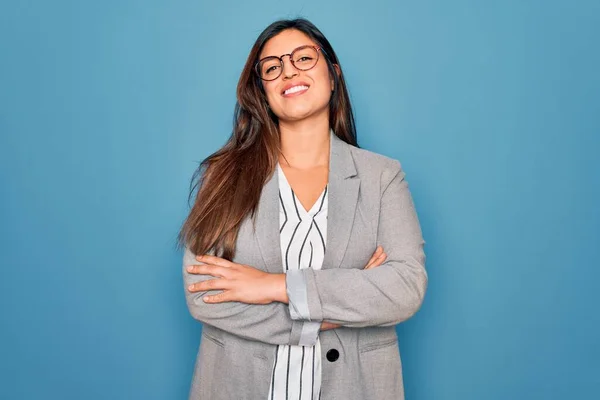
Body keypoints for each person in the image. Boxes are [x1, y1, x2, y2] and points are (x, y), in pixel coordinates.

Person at [177, 18, 427, 400]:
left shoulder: (382, 176)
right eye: (272, 67)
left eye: (303, 58)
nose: (288, 70)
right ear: (261, 91)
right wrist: (334, 310)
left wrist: (271, 286)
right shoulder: (222, 176)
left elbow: (405, 287)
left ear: (333, 73)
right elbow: (202, 295)